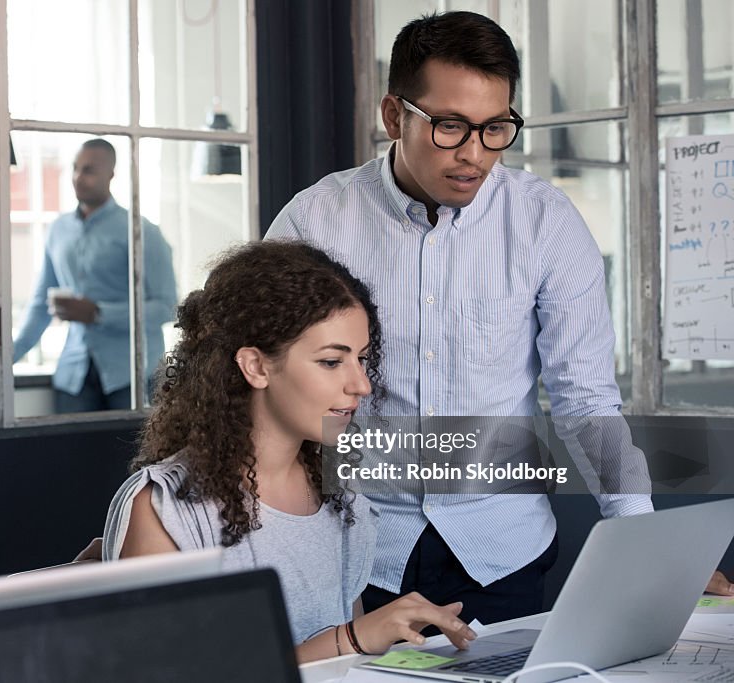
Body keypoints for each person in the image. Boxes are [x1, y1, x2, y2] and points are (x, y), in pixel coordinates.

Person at [266, 10, 733, 624]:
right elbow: (255, 382)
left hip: (502, 551)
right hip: (357, 545)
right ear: (393, 116)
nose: (475, 155)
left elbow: (585, 399)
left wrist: (647, 551)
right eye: (451, 127)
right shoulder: (316, 220)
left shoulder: (544, 221)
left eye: (496, 129)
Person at [101, 241, 477, 663]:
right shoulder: (166, 508)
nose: (361, 385)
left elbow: (344, 670)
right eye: (332, 362)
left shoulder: (340, 493)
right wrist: (352, 638)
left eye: (362, 359)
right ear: (256, 367)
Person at [12, 139, 178, 413]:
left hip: (132, 374)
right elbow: (41, 304)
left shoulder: (141, 231)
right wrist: (6, 359)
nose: (78, 177)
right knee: (72, 455)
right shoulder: (58, 230)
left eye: (88, 170)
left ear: (111, 174)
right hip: (74, 374)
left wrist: (98, 313)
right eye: (75, 169)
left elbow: (166, 306)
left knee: (135, 456)